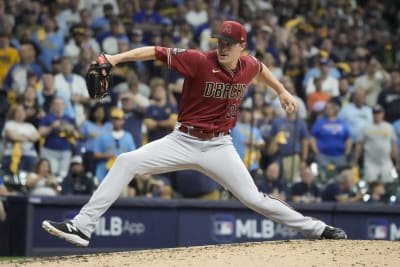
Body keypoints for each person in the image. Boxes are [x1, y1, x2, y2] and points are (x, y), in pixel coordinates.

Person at [42, 20, 346, 247]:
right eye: (220, 41)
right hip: (182, 140)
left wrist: (282, 90)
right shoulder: (199, 60)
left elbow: (261, 67)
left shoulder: (248, 65)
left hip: (219, 146)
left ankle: (318, 229)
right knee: (125, 161)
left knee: (254, 197)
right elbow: (154, 52)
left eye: (229, 43)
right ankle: (82, 227)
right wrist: (115, 59)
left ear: (242, 46)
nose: (222, 47)